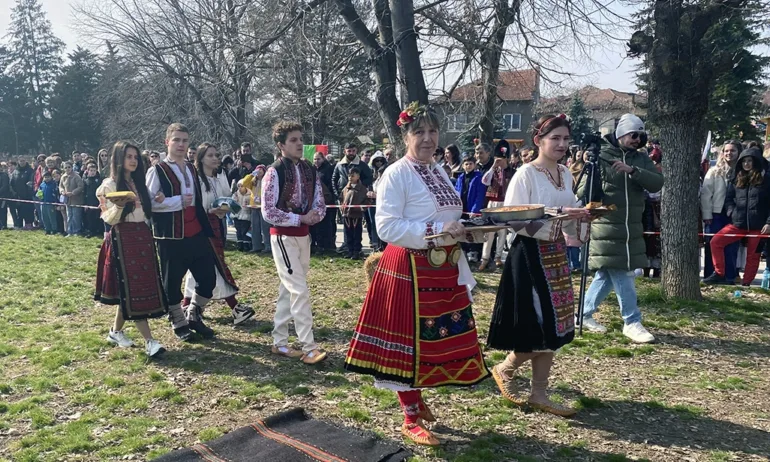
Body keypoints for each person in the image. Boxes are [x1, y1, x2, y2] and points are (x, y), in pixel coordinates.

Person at [344, 102, 489, 446]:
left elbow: (447, 215)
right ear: (405, 136)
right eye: (419, 132)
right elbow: (387, 226)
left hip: (441, 266)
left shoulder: (438, 170)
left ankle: (417, 399)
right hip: (408, 266)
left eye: (432, 132)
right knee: (408, 343)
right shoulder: (396, 173)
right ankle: (409, 417)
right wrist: (438, 229)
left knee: (432, 339)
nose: (427, 138)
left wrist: (468, 228)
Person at [488, 113, 590, 417]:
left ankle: (539, 393)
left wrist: (582, 218)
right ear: (538, 140)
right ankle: (506, 368)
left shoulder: (566, 173)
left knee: (555, 325)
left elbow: (568, 219)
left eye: (566, 138)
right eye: (554, 138)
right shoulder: (526, 174)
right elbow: (513, 218)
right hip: (530, 254)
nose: (561, 144)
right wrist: (558, 213)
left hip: (556, 254)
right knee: (540, 323)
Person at [577, 113, 663, 343]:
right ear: (622, 133)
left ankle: (582, 314)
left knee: (606, 273)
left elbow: (657, 183)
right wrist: (589, 166)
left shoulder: (641, 158)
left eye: (641, 136)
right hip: (606, 225)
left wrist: (633, 171)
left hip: (631, 225)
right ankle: (632, 321)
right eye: (633, 135)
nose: (637, 140)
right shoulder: (601, 155)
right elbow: (583, 191)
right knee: (622, 271)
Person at [261, 121, 327, 364]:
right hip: (283, 236)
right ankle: (309, 346)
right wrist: (299, 218)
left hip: (303, 236)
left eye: (300, 139)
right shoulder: (274, 171)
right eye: (293, 140)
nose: (299, 144)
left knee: (288, 289)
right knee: (299, 290)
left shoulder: (310, 169)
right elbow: (268, 211)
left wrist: (314, 215)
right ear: (281, 145)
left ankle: (279, 341)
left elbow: (320, 201)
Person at [147, 123, 218, 341]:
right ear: (166, 142)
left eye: (185, 140)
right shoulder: (157, 170)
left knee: (208, 279)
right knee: (172, 282)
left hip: (196, 231)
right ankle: (177, 320)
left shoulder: (191, 168)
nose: (181, 144)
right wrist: (176, 201)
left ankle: (194, 314)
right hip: (171, 235)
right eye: (176, 140)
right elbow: (150, 204)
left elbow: (196, 199)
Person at [95, 141, 166, 357]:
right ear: (119, 159)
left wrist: (158, 200)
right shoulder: (109, 185)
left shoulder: (139, 183)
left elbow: (146, 212)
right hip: (122, 238)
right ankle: (150, 341)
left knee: (133, 289)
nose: (133, 161)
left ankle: (115, 332)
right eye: (129, 157)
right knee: (132, 289)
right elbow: (108, 218)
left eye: (135, 157)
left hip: (142, 236)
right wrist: (119, 206)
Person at [182, 142, 255, 325]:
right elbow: (195, 206)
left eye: (216, 155)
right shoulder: (196, 179)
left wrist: (226, 206)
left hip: (215, 225)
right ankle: (234, 307)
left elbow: (225, 198)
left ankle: (187, 305)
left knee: (203, 266)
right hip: (200, 227)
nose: (215, 158)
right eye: (210, 155)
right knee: (214, 265)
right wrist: (211, 211)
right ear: (200, 158)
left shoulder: (218, 177)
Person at [704, 147, 770, 286]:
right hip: (738, 223)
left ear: (755, 162)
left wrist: (769, 223)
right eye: (744, 161)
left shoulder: (766, 179)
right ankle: (719, 273)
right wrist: (731, 211)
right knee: (715, 242)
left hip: (759, 226)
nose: (746, 164)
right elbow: (729, 198)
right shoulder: (736, 178)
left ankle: (746, 284)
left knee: (753, 256)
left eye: (749, 161)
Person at [701, 141, 741, 283]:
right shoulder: (714, 170)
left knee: (731, 248)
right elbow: (706, 194)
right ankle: (710, 276)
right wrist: (707, 214)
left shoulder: (742, 172)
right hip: (716, 214)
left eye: (733, 150)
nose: (729, 153)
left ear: (739, 152)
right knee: (712, 246)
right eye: (726, 151)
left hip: (734, 216)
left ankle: (729, 278)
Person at [479, 139, 517, 271]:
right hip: (493, 203)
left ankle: (498, 257)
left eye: (501, 159)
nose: (499, 161)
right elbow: (484, 181)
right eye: (497, 159)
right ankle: (484, 258)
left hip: (505, 202)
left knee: (502, 231)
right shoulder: (492, 171)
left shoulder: (513, 172)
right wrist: (493, 167)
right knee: (489, 231)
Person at [333, 143, 373, 254]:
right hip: (344, 198)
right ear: (345, 151)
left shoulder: (362, 165)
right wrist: (337, 194)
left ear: (356, 151)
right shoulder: (339, 165)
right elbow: (334, 179)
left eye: (353, 151)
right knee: (346, 226)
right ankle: (347, 247)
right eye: (349, 151)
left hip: (357, 202)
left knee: (356, 228)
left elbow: (369, 178)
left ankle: (356, 249)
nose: (351, 153)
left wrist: (358, 187)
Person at [642, 148, 663, 278]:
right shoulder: (644, 173)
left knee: (657, 245)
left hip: (659, 211)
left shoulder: (661, 173)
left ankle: (657, 270)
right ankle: (645, 270)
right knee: (647, 244)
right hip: (646, 212)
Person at [311, 152, 337, 254]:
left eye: (318, 159)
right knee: (316, 225)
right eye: (315, 159)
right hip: (315, 201)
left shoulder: (328, 169)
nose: (316, 161)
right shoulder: (312, 169)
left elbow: (331, 184)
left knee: (327, 224)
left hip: (327, 200)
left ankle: (327, 245)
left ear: (323, 159)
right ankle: (317, 245)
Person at [341, 167, 369, 260]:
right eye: (349, 175)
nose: (350, 177)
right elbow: (341, 198)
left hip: (357, 215)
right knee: (348, 233)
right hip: (346, 215)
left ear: (358, 176)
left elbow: (367, 201)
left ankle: (357, 251)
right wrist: (342, 207)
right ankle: (350, 251)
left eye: (353, 175)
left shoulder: (362, 189)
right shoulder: (346, 188)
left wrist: (361, 208)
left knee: (356, 234)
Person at [246, 165, 271, 254]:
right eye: (257, 170)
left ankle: (268, 246)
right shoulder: (253, 181)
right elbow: (244, 183)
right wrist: (251, 175)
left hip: (263, 207)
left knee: (265, 228)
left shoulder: (267, 180)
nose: (259, 171)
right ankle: (256, 246)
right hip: (254, 206)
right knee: (255, 227)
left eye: (261, 170)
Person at [367, 151, 388, 250]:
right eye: (377, 161)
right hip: (372, 201)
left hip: (383, 201)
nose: (379, 163)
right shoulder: (370, 172)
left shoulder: (387, 172)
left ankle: (383, 244)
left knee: (383, 222)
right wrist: (369, 191)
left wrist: (378, 195)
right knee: (372, 222)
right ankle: (375, 243)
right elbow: (367, 183)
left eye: (381, 161)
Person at [60, 161, 85, 237]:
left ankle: (77, 231)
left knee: (76, 216)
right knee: (69, 216)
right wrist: (62, 191)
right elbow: (60, 186)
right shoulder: (63, 177)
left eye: (69, 167)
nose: (67, 169)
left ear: (72, 167)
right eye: (66, 167)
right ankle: (70, 231)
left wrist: (73, 192)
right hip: (67, 200)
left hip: (76, 200)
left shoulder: (76, 176)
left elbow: (81, 186)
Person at [10, 157, 35, 229]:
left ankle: (29, 224)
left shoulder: (30, 170)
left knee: (28, 211)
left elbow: (31, 182)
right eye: (20, 161)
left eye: (23, 160)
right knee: (20, 211)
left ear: (26, 161)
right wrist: (14, 193)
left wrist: (29, 191)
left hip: (28, 196)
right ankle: (19, 225)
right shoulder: (15, 171)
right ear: (18, 162)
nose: (22, 162)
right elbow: (11, 183)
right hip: (18, 196)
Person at [82, 163, 104, 238]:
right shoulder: (86, 181)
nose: (93, 172)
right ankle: (91, 231)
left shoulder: (99, 180)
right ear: (88, 171)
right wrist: (85, 204)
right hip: (89, 202)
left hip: (98, 202)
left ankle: (99, 231)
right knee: (90, 218)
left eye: (94, 170)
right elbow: (84, 193)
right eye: (91, 170)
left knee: (98, 217)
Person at [232, 179, 252, 251]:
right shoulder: (236, 194)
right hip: (237, 215)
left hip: (246, 215)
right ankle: (240, 245)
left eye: (242, 186)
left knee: (245, 231)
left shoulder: (250, 195)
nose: (240, 188)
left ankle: (246, 245)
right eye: (239, 186)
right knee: (238, 231)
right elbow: (232, 204)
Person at [0, 163, 9, 230]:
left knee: (2, 211)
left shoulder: (4, 175)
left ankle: (3, 225)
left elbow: (5, 186)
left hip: (3, 197)